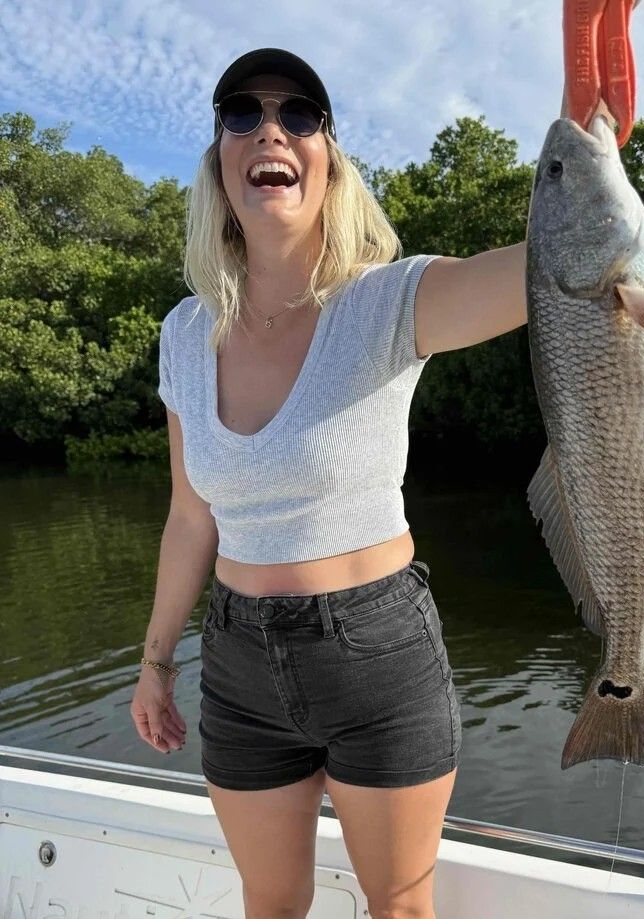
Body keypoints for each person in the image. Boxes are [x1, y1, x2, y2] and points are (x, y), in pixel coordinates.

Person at [129, 47, 527, 919]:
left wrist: (594, 159)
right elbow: (190, 518)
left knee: (401, 908)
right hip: (234, 659)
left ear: (329, 160)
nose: (270, 127)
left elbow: (551, 272)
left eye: (299, 114)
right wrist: (156, 662)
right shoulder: (183, 333)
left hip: (375, 653)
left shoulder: (388, 302)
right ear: (220, 163)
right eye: (243, 112)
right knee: (270, 907)